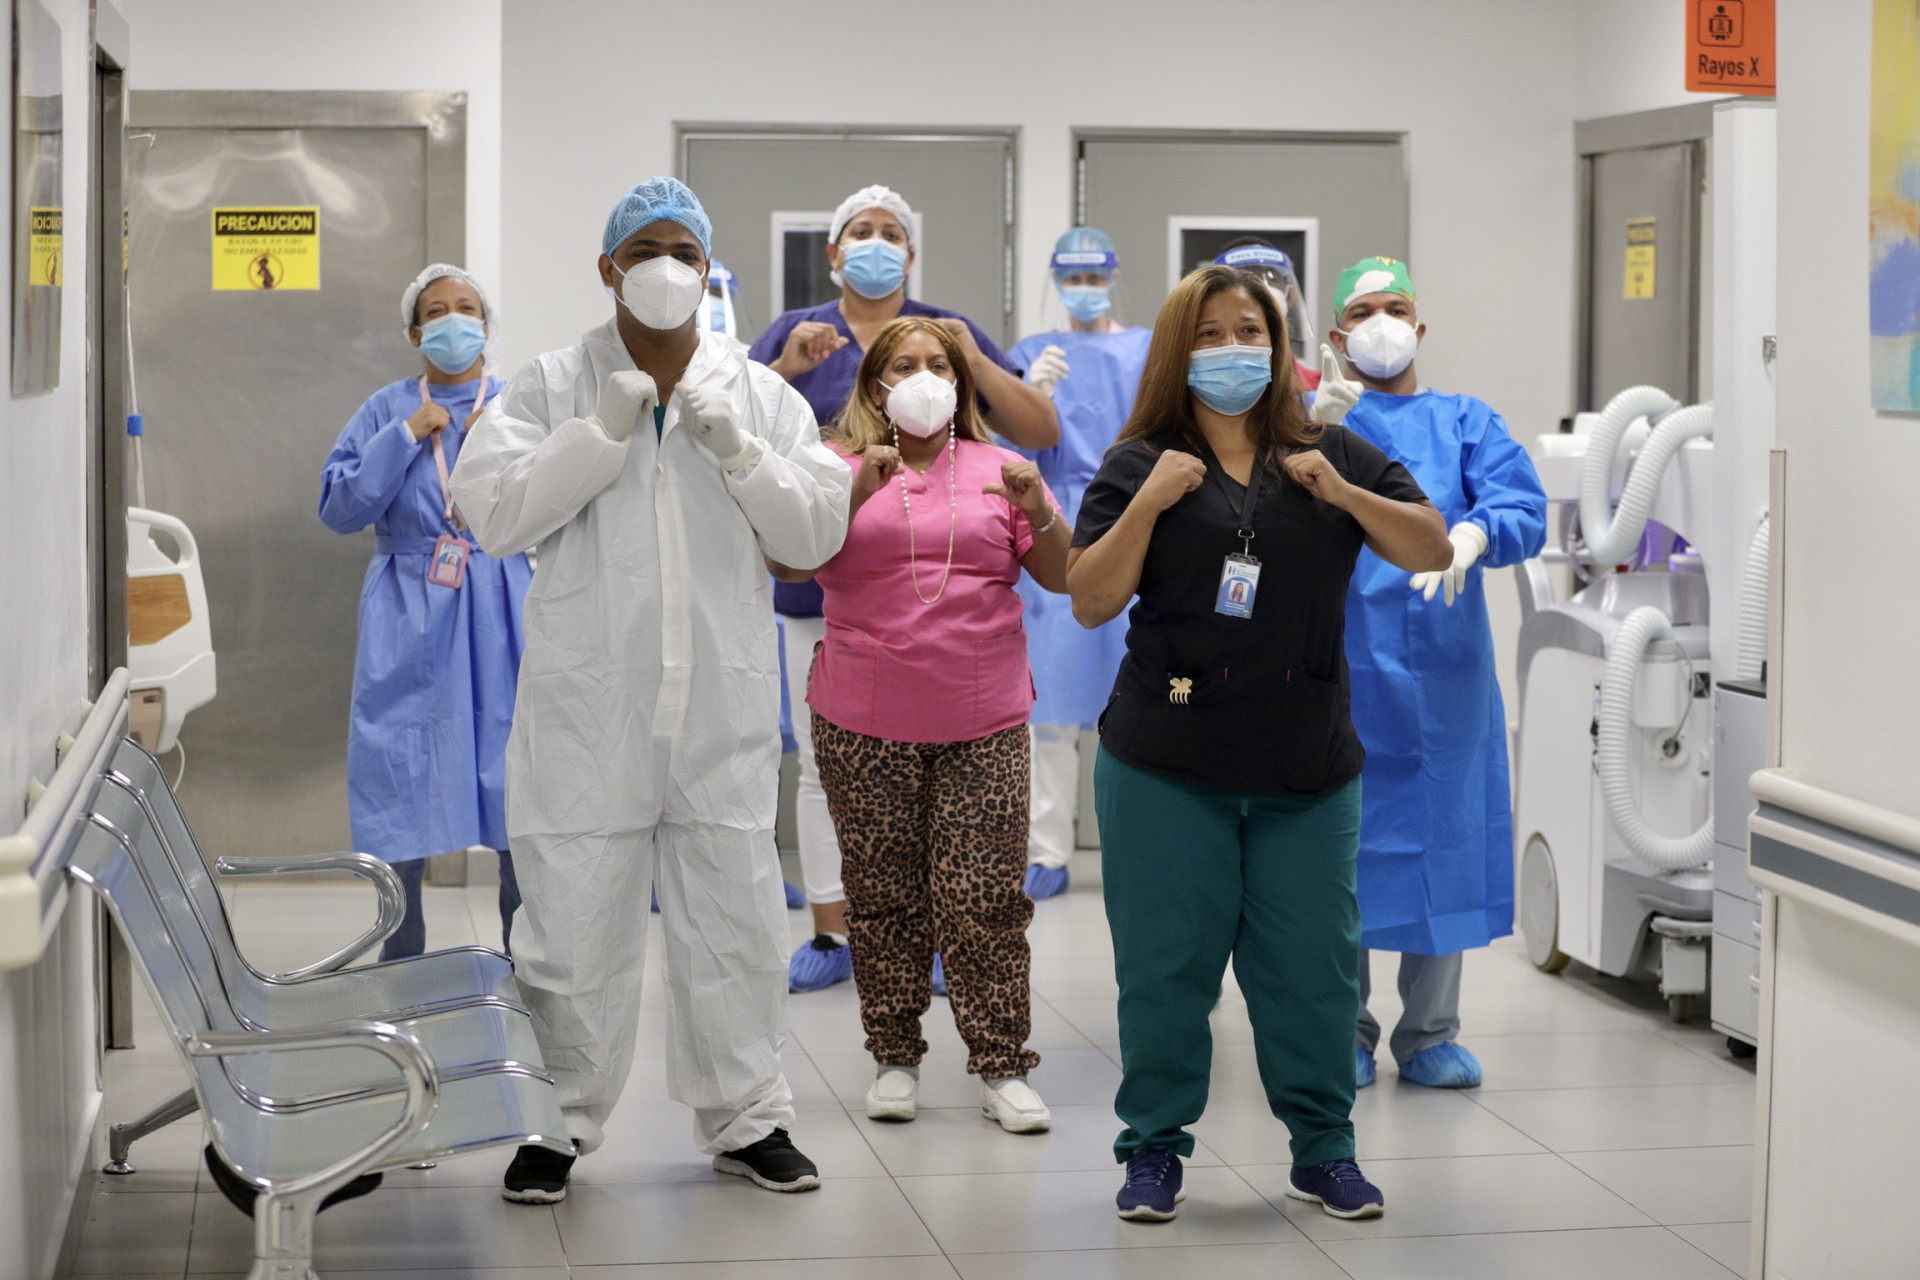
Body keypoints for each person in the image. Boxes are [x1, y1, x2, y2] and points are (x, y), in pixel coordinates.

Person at [448, 177, 851, 1203]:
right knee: (569, 923)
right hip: (589, 708)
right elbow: (492, 514)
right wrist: (596, 434)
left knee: (736, 918)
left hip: (718, 704)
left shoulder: (760, 397)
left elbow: (814, 535)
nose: (666, 267)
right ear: (609, 268)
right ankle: (558, 1122)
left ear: (708, 269)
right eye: (646, 250)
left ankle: (748, 1118)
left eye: (685, 251)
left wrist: (740, 452)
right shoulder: (549, 386)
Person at [1067, 264, 1451, 1223]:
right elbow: (1090, 599)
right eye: (1210, 334)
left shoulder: (1331, 449)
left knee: (1313, 972)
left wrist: (1345, 495)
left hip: (1303, 765)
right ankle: (1153, 1148)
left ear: (1279, 349)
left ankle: (1324, 1151)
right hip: (1166, 762)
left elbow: (1431, 546)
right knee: (1164, 969)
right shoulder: (1138, 462)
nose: (1232, 350)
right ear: (1177, 351)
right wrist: (1151, 501)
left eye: (1250, 332)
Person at [748, 183, 1059, 993]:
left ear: (911, 254)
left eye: (892, 232)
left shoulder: (945, 333)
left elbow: (1037, 429)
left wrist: (973, 356)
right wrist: (785, 369)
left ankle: (936, 936)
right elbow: (730, 438)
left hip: (939, 597)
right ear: (833, 251)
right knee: (828, 772)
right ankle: (833, 933)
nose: (877, 242)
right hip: (822, 593)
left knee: (937, 778)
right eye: (861, 230)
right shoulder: (796, 333)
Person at [772, 315, 1067, 1132]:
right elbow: (788, 565)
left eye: (939, 363)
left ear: (961, 382)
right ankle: (894, 1055)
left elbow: (1064, 574)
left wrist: (1039, 509)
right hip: (863, 717)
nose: (924, 376)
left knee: (984, 898)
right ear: (875, 384)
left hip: (983, 717)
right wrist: (854, 492)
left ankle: (1002, 1064)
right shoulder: (834, 465)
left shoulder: (1001, 468)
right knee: (882, 898)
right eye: (903, 364)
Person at [1322, 257, 1547, 1091]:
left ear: (1419, 328)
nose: (1381, 324)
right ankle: (1342, 1028)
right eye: (1363, 312)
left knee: (1444, 835)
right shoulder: (1324, 420)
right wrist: (1306, 431)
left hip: (1446, 674)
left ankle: (1429, 1033)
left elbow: (1521, 505)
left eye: (1396, 308)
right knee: (1341, 847)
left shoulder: (1464, 421)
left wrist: (1478, 535)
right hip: (1340, 663)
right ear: (1337, 335)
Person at [317, 263, 526, 962]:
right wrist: (406, 435)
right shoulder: (387, 409)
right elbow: (338, 507)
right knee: (397, 768)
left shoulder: (518, 405)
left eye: (467, 308)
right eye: (436, 312)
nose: (453, 321)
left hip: (502, 602)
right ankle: (399, 963)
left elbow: (563, 495)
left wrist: (503, 439)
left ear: (486, 327)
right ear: (414, 333)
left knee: (517, 773)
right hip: (409, 607)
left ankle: (528, 964)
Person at [1005, 226, 1151, 900]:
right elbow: (1006, 457)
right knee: (1053, 708)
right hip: (1055, 523)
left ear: (1113, 277)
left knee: (1141, 697)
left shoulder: (1145, 349)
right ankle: (1047, 851)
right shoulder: (1031, 354)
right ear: (1056, 280)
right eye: (1073, 277)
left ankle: (1137, 846)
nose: (1084, 288)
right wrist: (1029, 397)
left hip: (1132, 517)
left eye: (1095, 276)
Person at [1214, 240, 1319, 386]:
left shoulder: (1318, 387)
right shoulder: (1205, 384)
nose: (1262, 289)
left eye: (1271, 279)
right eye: (1244, 278)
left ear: (1290, 294)